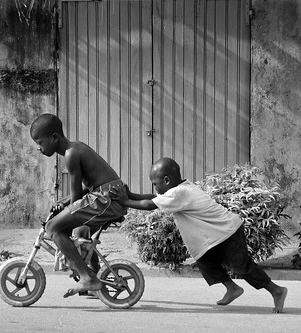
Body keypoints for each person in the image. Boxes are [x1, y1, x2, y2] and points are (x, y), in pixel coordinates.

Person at [114, 157, 288, 313]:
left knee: (241, 267)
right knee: (204, 259)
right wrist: (130, 195)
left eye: (155, 183)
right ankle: (232, 288)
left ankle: (277, 290)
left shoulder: (180, 193)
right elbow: (155, 198)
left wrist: (125, 201)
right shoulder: (181, 188)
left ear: (166, 180)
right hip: (214, 235)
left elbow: (150, 204)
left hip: (228, 231)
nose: (156, 188)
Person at [30, 113, 127, 297]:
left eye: (40, 143)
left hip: (106, 198)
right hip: (109, 196)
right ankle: (95, 278)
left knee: (53, 227)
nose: (39, 149)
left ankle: (87, 278)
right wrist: (64, 202)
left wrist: (65, 208)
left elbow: (76, 200)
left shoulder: (71, 154)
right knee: (81, 233)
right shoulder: (76, 147)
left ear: (54, 138)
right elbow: (88, 186)